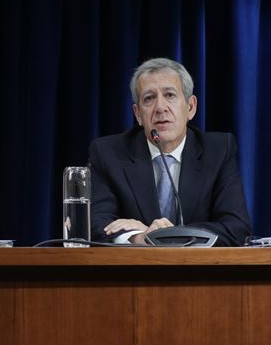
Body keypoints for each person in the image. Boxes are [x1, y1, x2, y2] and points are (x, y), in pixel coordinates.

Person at [89, 57, 250, 246]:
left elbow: (236, 228)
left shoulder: (218, 150)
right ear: (138, 114)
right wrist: (136, 236)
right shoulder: (108, 153)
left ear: (190, 107)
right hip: (133, 272)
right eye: (149, 98)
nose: (160, 107)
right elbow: (95, 224)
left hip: (200, 272)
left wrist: (165, 235)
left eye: (170, 95)